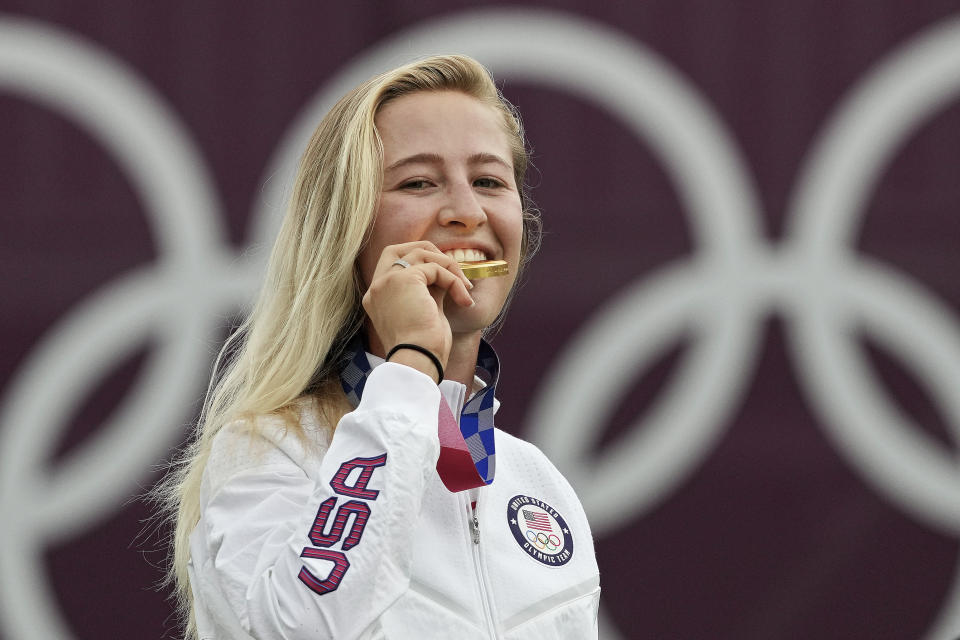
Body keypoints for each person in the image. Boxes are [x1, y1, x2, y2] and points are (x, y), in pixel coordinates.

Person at [158, 54, 600, 640]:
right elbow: (302, 629)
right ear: (347, 228)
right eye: (418, 182)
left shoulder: (537, 483)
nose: (467, 212)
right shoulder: (272, 448)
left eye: (490, 181)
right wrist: (412, 366)